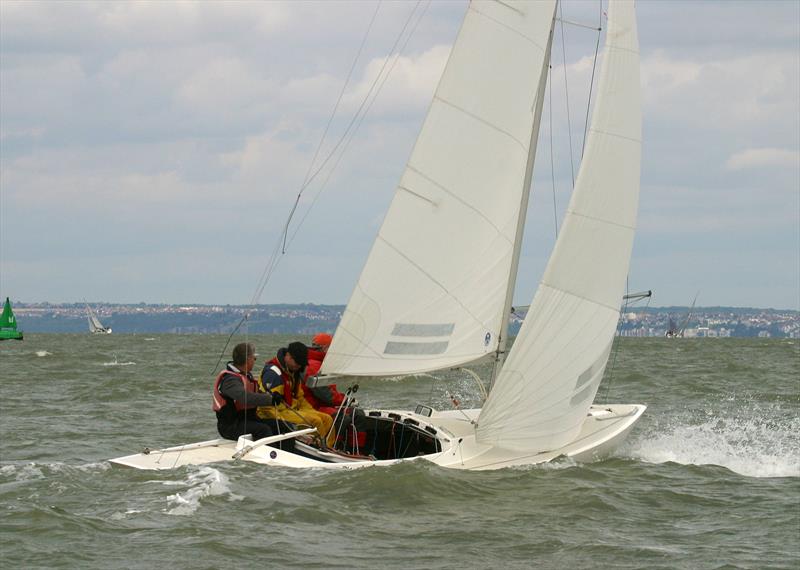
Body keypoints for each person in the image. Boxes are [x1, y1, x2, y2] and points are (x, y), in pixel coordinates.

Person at [258, 342, 336, 448]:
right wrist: (284, 423)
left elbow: (300, 397)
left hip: (292, 410)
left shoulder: (294, 372)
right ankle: (316, 448)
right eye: (297, 363)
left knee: (327, 419)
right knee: (316, 421)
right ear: (288, 356)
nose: (299, 366)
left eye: (301, 364)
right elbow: (266, 408)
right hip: (277, 412)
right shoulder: (273, 374)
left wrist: (312, 412)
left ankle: (328, 447)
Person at [212, 342, 290, 448]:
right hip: (230, 426)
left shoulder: (246, 376)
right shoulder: (230, 380)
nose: (254, 361)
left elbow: (256, 394)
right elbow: (245, 398)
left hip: (248, 420)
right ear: (248, 359)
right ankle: (271, 458)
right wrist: (269, 399)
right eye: (254, 358)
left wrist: (273, 396)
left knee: (280, 425)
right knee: (263, 430)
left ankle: (287, 453)